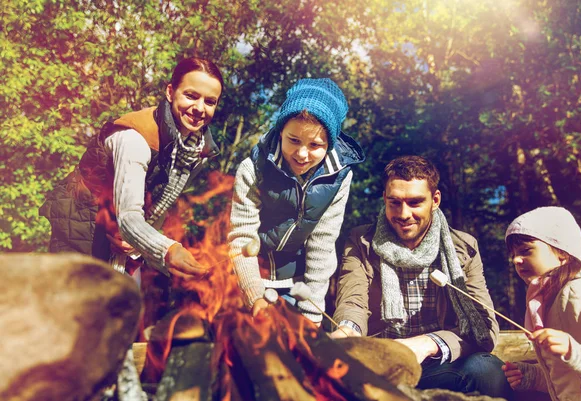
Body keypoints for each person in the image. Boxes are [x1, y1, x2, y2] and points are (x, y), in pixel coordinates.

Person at [331, 155, 511, 398]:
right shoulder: (360, 241)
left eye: (415, 202)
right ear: (384, 198)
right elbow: (352, 301)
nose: (404, 214)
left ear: (435, 200)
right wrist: (346, 331)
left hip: (439, 365)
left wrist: (427, 344)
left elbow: (484, 327)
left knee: (486, 370)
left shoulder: (464, 247)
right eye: (394, 202)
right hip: (380, 364)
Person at [40, 57, 224, 281]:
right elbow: (128, 217)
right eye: (191, 96)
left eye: (210, 101)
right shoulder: (135, 139)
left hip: (125, 241)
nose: (199, 108)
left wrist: (142, 245)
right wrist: (167, 250)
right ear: (170, 92)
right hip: (82, 228)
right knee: (75, 309)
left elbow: (157, 207)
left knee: (123, 309)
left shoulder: (195, 152)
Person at [227, 78, 364, 324]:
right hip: (247, 279)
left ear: (330, 144)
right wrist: (255, 296)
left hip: (297, 286)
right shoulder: (253, 169)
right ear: (281, 131)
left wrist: (311, 315)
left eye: (315, 145)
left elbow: (322, 245)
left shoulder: (339, 177)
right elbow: (242, 239)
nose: (302, 154)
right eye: (293, 140)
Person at [502, 206, 581, 400]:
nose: (516, 260)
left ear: (562, 254)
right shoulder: (548, 300)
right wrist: (535, 376)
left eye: (525, 251)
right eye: (514, 254)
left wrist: (576, 353)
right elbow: (570, 376)